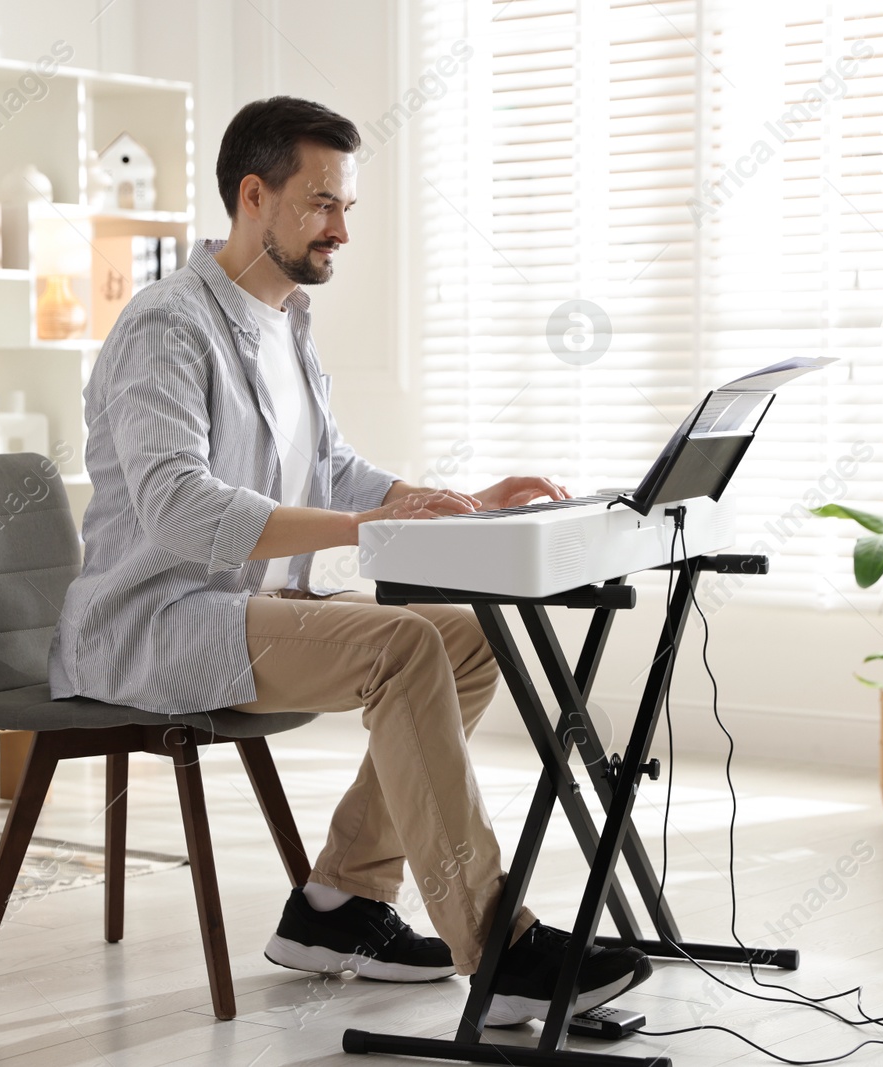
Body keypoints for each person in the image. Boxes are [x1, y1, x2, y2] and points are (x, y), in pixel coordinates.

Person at [49, 95, 650, 1027]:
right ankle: (497, 945)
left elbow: (331, 467)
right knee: (402, 648)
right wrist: (360, 531)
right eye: (324, 203)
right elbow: (177, 507)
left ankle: (339, 906)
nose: (341, 229)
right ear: (255, 196)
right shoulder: (169, 328)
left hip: (250, 611)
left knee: (464, 635)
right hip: (160, 621)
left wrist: (446, 499)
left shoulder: (286, 323)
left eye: (348, 208)